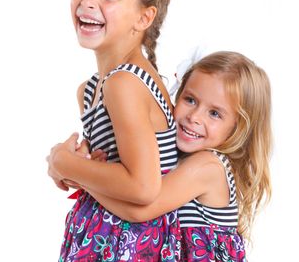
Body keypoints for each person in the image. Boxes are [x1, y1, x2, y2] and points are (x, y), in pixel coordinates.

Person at [47, 0, 181, 261]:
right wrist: (81, 169)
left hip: (130, 246)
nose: (88, 1)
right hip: (105, 237)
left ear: (143, 17)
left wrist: (65, 163)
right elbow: (112, 174)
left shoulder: (125, 83)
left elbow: (142, 187)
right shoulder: (93, 87)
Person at [83, 51, 272, 261]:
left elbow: (138, 211)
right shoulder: (174, 155)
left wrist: (83, 177)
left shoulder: (209, 167)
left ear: (238, 128)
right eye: (190, 100)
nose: (194, 117)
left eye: (215, 113)